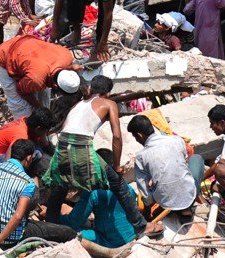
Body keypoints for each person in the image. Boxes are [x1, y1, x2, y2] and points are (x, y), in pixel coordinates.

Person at [44, 75, 149, 238]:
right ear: (107, 93)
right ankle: (140, 226)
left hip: (63, 145)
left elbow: (67, 128)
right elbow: (117, 136)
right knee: (118, 184)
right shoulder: (109, 103)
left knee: (59, 187)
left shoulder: (78, 105)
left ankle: (50, 228)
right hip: (81, 145)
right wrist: (116, 165)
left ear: (91, 89)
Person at [0, 138, 78, 246]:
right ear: (28, 158)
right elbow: (18, 216)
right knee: (66, 232)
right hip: (11, 237)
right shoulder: (27, 182)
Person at [0, 35, 81, 120]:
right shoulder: (36, 79)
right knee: (20, 104)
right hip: (6, 52)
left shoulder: (67, 56)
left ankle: (42, 119)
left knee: (43, 94)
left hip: (29, 48)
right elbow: (21, 90)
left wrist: (71, 67)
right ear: (55, 86)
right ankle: (25, 127)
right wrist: (39, 107)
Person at [129, 114, 203, 215]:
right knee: (196, 158)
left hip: (164, 203)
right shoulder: (176, 140)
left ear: (140, 135)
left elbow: (144, 191)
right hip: (188, 198)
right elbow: (184, 164)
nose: (137, 140)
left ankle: (174, 206)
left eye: (135, 137)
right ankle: (187, 205)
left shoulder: (140, 156)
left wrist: (147, 212)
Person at [62, 154, 141, 248]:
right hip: (133, 235)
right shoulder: (128, 188)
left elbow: (73, 222)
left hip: (111, 242)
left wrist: (54, 216)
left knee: (70, 232)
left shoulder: (93, 193)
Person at [0, 107, 56, 171]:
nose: (45, 134)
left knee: (37, 149)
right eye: (46, 131)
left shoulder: (26, 121)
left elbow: (44, 143)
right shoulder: (20, 134)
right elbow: (9, 161)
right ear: (38, 129)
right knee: (35, 154)